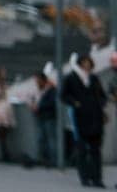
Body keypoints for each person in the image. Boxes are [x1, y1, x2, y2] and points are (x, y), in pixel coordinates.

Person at [63, 53, 109, 186]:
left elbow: (102, 95)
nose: (87, 65)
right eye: (84, 62)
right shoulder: (71, 78)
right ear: (80, 63)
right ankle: (85, 177)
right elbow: (64, 95)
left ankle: (97, 178)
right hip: (80, 118)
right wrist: (75, 103)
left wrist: (101, 104)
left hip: (96, 117)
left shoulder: (94, 78)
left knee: (96, 150)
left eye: (88, 62)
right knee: (82, 150)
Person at [31, 71, 58, 168]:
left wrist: (39, 106)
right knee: (41, 139)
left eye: (38, 81)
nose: (37, 83)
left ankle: (54, 160)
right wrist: (33, 105)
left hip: (49, 117)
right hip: (40, 117)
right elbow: (35, 99)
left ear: (43, 80)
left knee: (51, 139)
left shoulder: (51, 90)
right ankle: (43, 159)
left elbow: (52, 103)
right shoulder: (39, 90)